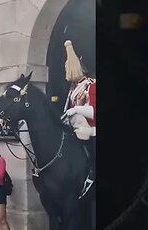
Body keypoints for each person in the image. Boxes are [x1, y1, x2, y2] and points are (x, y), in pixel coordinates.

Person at [62, 39, 96, 198]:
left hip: (90, 128)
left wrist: (76, 108)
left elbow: (94, 111)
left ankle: (92, 171)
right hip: (73, 126)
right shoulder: (72, 89)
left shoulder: (91, 85)